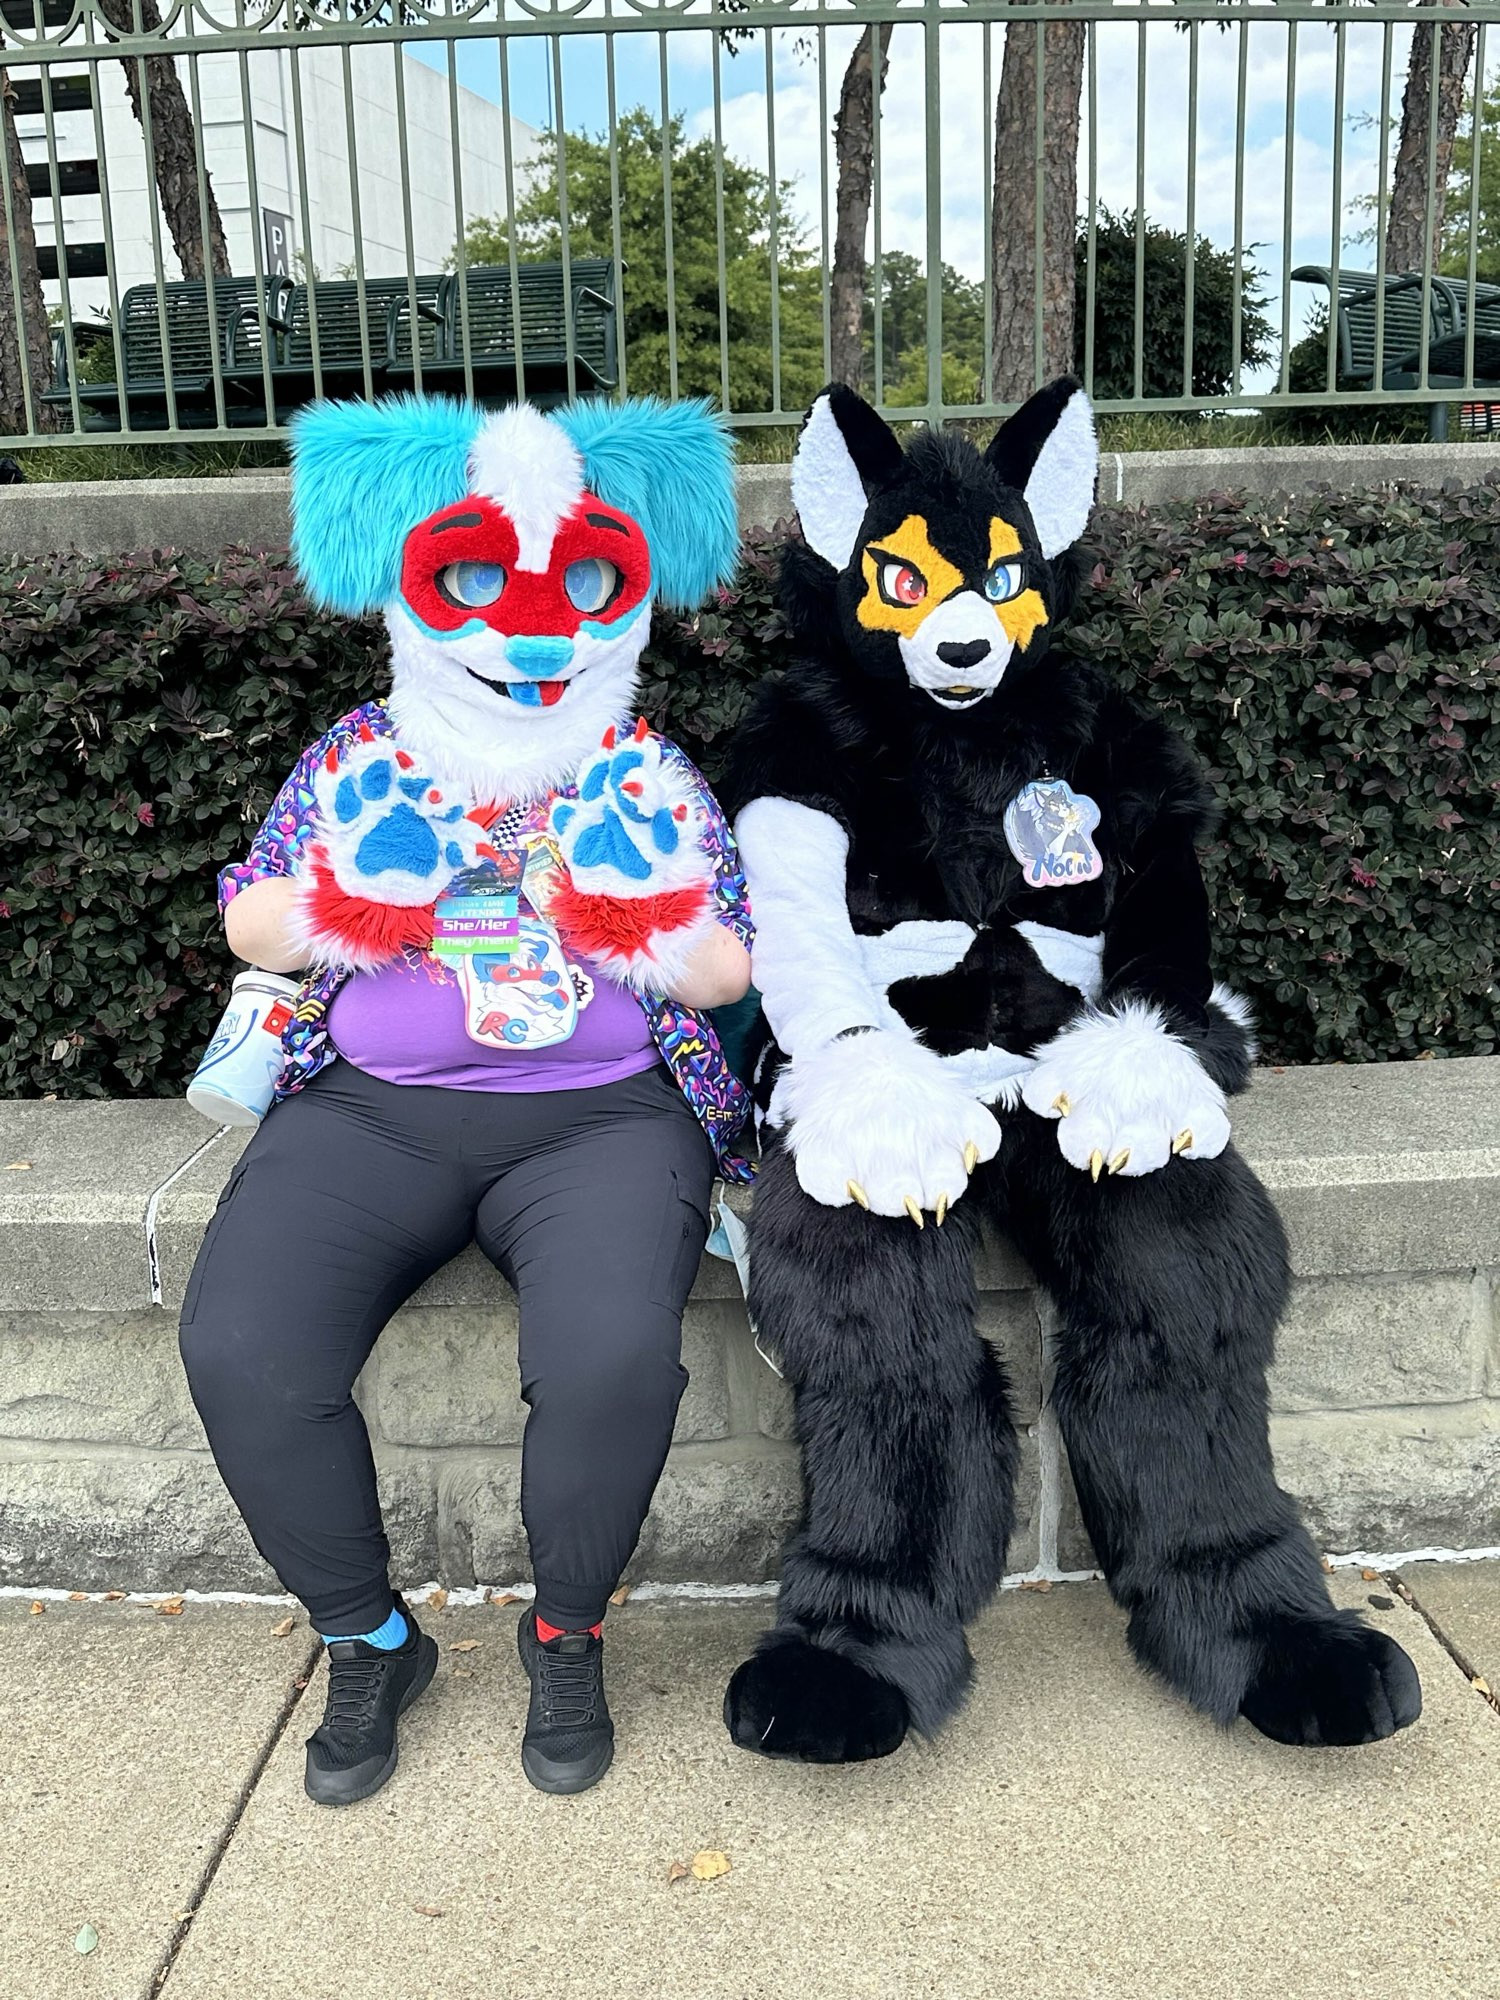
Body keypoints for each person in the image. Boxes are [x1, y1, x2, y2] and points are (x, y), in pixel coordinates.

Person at [179, 393, 753, 1803]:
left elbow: (732, 964)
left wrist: (631, 916)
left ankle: (567, 1634)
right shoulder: (361, 758)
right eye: (485, 588)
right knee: (245, 1347)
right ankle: (369, 1640)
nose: (530, 635)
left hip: (605, 1117)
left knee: (614, 1360)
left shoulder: (644, 771)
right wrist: (363, 904)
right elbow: (250, 922)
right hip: (372, 1108)